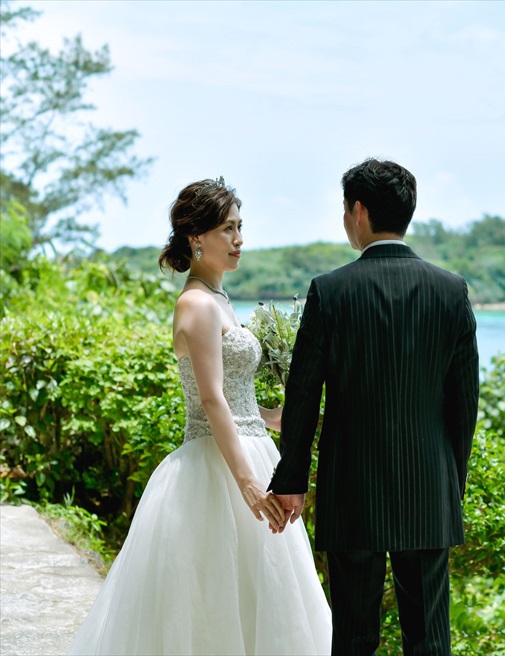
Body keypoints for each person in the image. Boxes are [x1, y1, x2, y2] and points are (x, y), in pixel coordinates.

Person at [67, 177, 332, 655]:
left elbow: (239, 403)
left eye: (240, 227)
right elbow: (212, 402)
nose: (239, 240)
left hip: (246, 448)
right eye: (228, 229)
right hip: (219, 469)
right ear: (196, 237)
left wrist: (284, 416)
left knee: (260, 598)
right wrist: (249, 484)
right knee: (214, 602)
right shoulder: (196, 304)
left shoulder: (220, 300)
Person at [268, 158, 480, 656]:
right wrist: (453, 483)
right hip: (429, 488)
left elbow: (303, 395)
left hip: (352, 489)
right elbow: (463, 402)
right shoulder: (451, 291)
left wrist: (291, 480)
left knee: (354, 637)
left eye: (345, 210)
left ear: (358, 211)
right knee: (429, 640)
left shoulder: (330, 291)